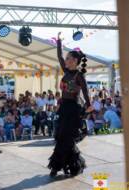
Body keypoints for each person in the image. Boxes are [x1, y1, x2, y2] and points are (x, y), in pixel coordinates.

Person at [48, 32, 93, 177]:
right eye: (66, 58)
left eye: (68, 58)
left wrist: (89, 105)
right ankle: (70, 164)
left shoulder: (78, 75)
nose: (65, 60)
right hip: (64, 108)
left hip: (73, 110)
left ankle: (57, 166)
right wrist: (59, 42)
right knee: (61, 137)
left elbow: (85, 91)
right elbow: (59, 57)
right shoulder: (66, 71)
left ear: (74, 60)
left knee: (66, 138)